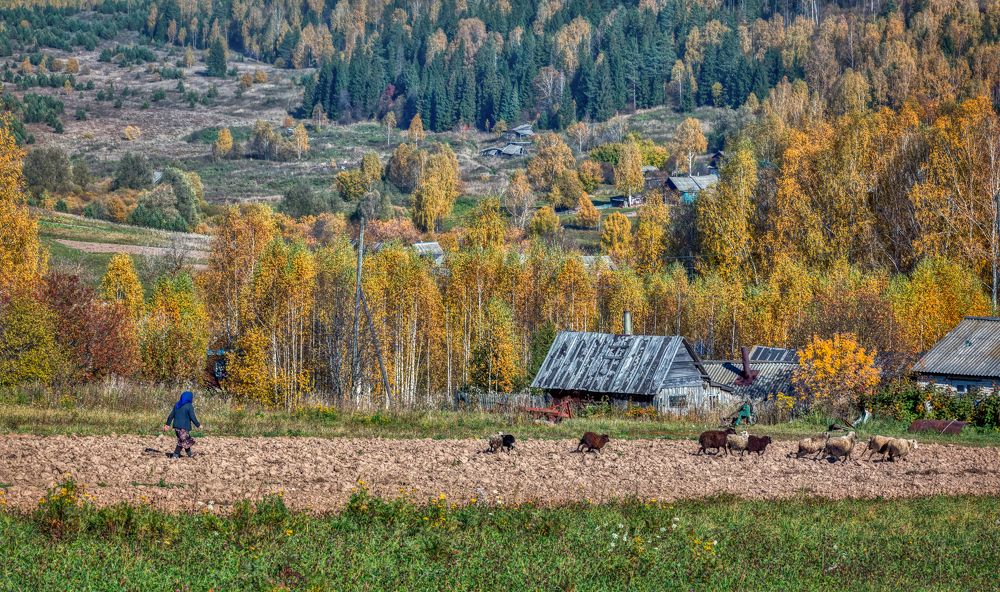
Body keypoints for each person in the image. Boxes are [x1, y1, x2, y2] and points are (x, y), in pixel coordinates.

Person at [163, 391, 201, 458]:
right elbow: (193, 417)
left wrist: (167, 424)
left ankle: (190, 454)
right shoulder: (189, 406)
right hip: (184, 427)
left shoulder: (177, 405)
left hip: (176, 427)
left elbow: (171, 415)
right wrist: (198, 425)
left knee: (184, 441)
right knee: (183, 441)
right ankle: (175, 455)